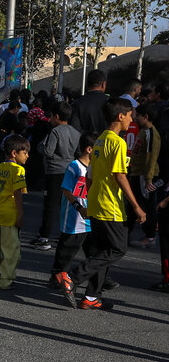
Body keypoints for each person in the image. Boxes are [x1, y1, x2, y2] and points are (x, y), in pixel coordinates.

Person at [67, 99, 147, 309]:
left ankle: (91, 297)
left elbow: (90, 176)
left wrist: (88, 200)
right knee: (118, 248)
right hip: (110, 204)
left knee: (102, 251)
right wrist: (137, 206)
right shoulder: (117, 142)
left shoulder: (100, 139)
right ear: (120, 116)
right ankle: (73, 276)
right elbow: (120, 176)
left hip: (95, 201)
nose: (132, 119)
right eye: (130, 115)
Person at [0, 134, 29, 290]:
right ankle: (5, 280)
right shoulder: (18, 170)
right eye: (25, 152)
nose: (27, 156)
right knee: (11, 251)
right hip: (9, 215)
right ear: (14, 153)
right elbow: (18, 194)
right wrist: (20, 215)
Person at [33, 101, 80, 251]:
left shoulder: (55, 132)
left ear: (57, 116)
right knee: (67, 204)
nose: (50, 119)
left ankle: (44, 237)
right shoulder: (75, 132)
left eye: (51, 116)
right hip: (70, 171)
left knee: (50, 206)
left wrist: (40, 146)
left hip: (54, 172)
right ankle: (66, 234)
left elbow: (48, 151)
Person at [51, 133, 95, 293]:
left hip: (89, 217)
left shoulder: (94, 168)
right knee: (67, 249)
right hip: (74, 216)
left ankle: (101, 278)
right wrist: (78, 206)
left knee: (94, 251)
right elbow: (66, 189)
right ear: (89, 149)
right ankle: (57, 275)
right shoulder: (74, 166)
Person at [127, 103, 161, 249]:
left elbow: (151, 158)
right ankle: (125, 233)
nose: (134, 117)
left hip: (144, 176)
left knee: (146, 206)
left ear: (145, 117)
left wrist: (148, 179)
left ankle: (150, 236)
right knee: (132, 204)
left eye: (137, 115)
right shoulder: (143, 131)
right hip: (136, 173)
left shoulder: (151, 133)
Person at [69, 69, 108, 135]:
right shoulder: (110, 102)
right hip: (107, 142)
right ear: (103, 84)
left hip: (85, 143)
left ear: (87, 84)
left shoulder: (77, 104)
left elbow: (75, 129)